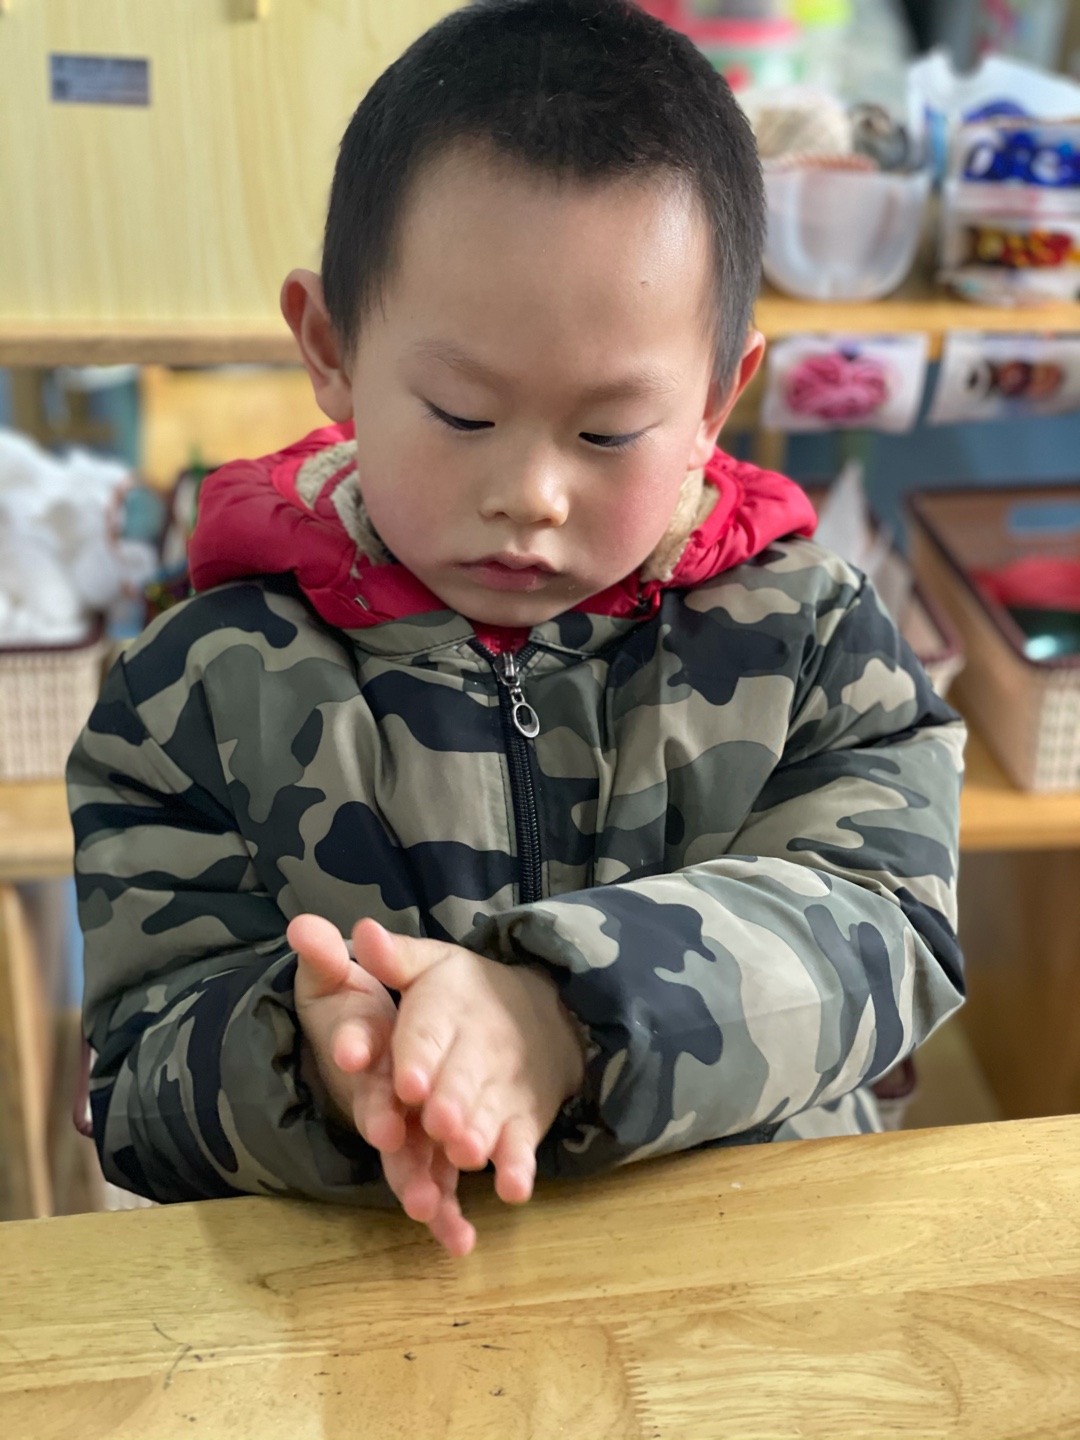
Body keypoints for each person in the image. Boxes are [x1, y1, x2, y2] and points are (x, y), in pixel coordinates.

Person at [68, 0, 965, 1257]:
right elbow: (135, 1087)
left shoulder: (810, 643)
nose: (532, 494)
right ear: (330, 346)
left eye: (608, 432)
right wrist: (316, 1064)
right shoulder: (193, 692)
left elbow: (891, 933)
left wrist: (568, 1014)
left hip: (747, 1289)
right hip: (373, 1305)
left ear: (718, 400)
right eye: (461, 413)